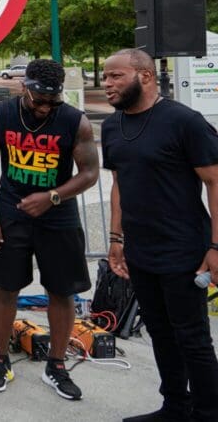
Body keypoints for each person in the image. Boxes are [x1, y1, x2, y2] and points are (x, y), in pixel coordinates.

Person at [102, 48, 218, 422]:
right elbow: (119, 183)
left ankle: (207, 411)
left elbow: (215, 181)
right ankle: (175, 406)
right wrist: (116, 240)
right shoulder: (111, 126)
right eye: (105, 77)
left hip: (184, 249)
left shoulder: (184, 121)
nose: (107, 84)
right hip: (140, 250)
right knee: (161, 334)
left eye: (116, 76)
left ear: (145, 76)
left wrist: (216, 246)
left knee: (192, 337)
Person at [0, 58, 98, 401]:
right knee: (5, 287)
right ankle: (1, 360)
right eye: (38, 100)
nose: (45, 107)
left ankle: (56, 365)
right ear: (23, 87)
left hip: (58, 216)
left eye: (52, 101)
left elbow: (90, 172)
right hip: (11, 213)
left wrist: (53, 196)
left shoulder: (76, 122)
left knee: (61, 292)